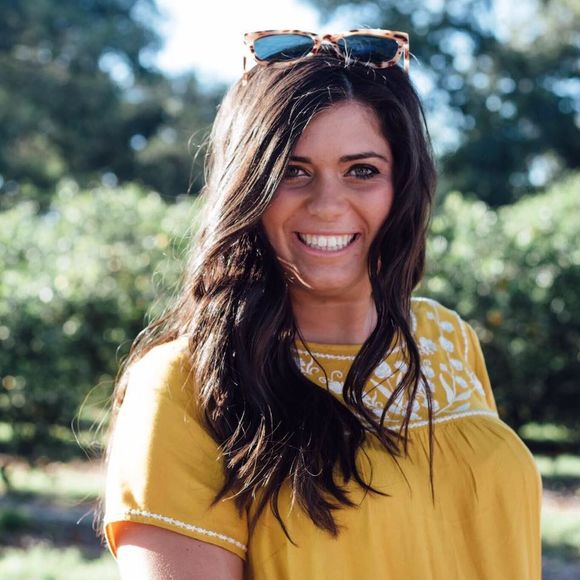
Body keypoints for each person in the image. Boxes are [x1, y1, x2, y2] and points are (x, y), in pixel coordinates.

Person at [102, 29, 542, 579]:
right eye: (292, 171)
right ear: (248, 190)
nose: (328, 205)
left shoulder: (447, 339)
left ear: (403, 185)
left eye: (363, 171)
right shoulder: (185, 384)